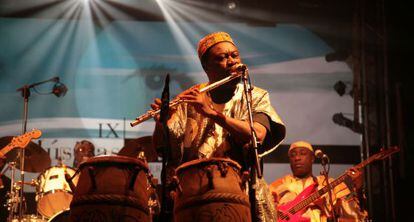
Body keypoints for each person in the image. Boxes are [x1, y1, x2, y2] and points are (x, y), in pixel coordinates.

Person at [151, 31, 286, 221]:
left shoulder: (254, 96)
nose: (231, 61)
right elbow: (164, 149)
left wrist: (213, 114)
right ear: (206, 67)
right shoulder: (190, 99)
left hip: (243, 192)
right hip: (195, 196)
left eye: (234, 55)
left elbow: (258, 135)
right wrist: (162, 124)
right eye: (222, 58)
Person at [269, 141, 368, 222]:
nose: (297, 158)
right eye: (292, 155)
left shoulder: (328, 183)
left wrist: (358, 189)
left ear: (312, 158)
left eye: (303, 153)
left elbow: (352, 214)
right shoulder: (278, 185)